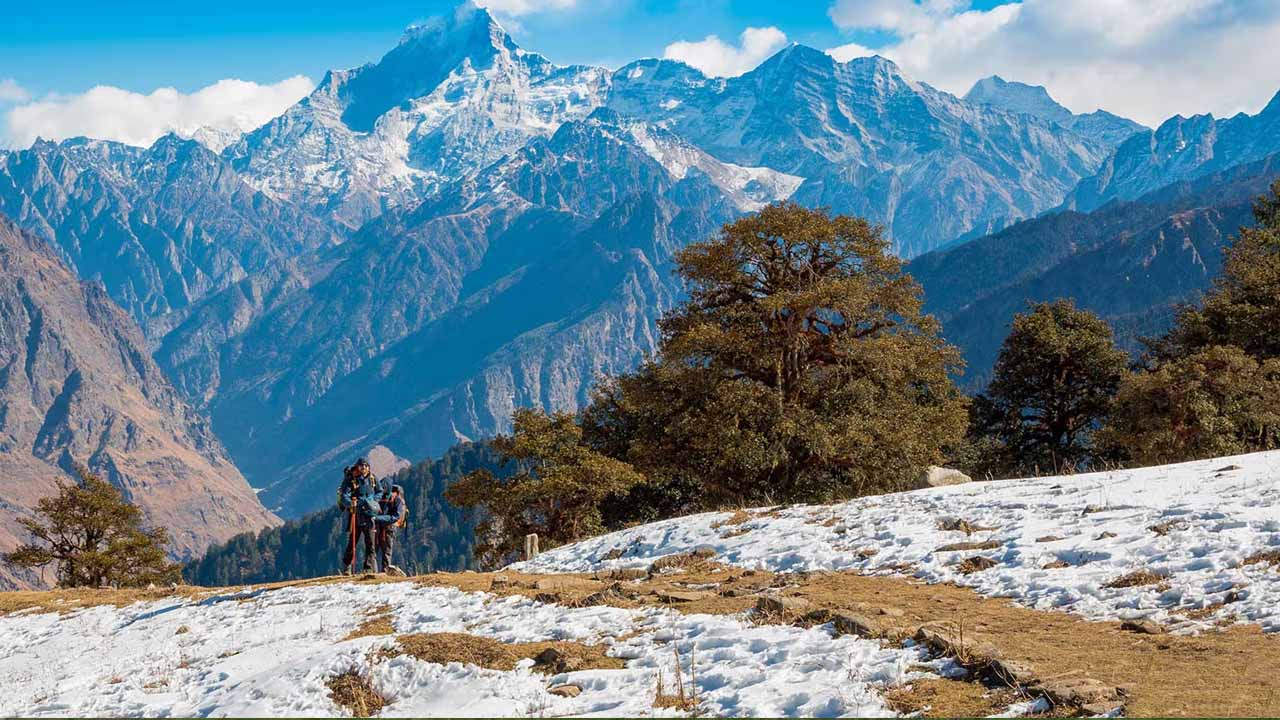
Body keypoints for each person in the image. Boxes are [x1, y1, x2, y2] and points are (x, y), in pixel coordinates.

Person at [336, 457, 384, 574]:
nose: (364, 468)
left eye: (366, 466)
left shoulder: (373, 479)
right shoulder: (351, 479)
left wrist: (373, 501)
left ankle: (368, 568)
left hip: (369, 514)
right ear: (357, 466)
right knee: (352, 542)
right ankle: (347, 567)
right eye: (362, 465)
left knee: (370, 543)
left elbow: (380, 491)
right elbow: (344, 496)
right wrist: (351, 504)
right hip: (356, 514)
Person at [375, 484, 407, 577]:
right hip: (388, 527)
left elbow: (395, 516)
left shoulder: (397, 501)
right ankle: (383, 571)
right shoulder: (397, 500)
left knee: (385, 551)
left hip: (389, 528)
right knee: (385, 550)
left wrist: (379, 518)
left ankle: (384, 572)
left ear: (396, 492)